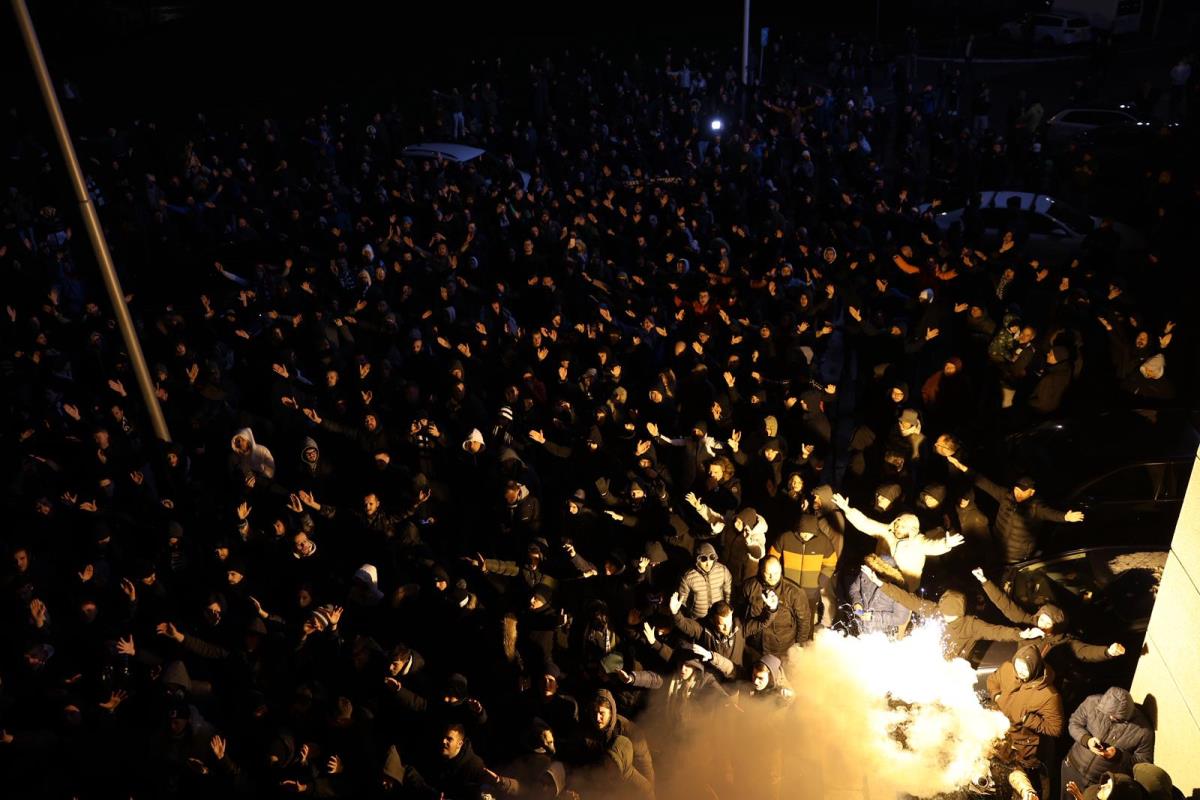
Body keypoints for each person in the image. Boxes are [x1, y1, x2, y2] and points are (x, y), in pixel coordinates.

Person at [859, 564, 1044, 658]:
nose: (946, 618)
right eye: (944, 614)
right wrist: (880, 583)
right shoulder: (935, 611)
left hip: (955, 667)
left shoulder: (971, 625)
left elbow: (997, 631)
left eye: (951, 616)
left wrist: (1021, 634)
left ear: (960, 613)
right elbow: (908, 599)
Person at [945, 457, 1084, 563]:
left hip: (1017, 557)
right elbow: (984, 482)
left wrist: (1066, 517)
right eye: (1017, 489)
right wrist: (962, 467)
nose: (1018, 493)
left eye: (1023, 491)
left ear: (1032, 492)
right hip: (997, 548)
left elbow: (1051, 513)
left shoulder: (1037, 508)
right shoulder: (1006, 495)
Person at [832, 493, 965, 590]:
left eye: (902, 527)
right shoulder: (887, 532)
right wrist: (847, 510)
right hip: (881, 580)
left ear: (911, 529)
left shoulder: (917, 541)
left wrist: (946, 544)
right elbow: (866, 523)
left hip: (905, 588)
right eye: (896, 524)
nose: (897, 528)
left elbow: (931, 545)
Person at [1062, 687, 1155, 799]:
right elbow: (1074, 723)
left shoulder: (1144, 731)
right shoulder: (1092, 702)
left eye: (1117, 718)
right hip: (1072, 767)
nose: (1111, 717)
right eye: (1108, 713)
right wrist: (1087, 740)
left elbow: (1143, 764)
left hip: (1099, 784)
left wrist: (1118, 756)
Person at [988, 646, 1064, 775]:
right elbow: (992, 680)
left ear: (1034, 667)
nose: (1020, 671)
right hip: (1000, 732)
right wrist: (997, 695)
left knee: (1024, 774)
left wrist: (1028, 719)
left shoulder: (1049, 695)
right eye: (1018, 665)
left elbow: (1056, 729)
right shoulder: (1008, 668)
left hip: (1022, 746)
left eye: (1025, 668)